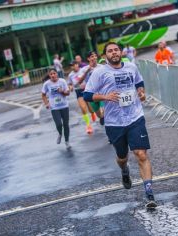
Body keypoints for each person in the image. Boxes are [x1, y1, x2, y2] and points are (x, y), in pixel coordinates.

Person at [83, 42, 157, 209]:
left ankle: (150, 193)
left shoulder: (131, 67)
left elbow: (139, 82)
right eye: (110, 51)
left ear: (121, 52)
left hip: (135, 117)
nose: (114, 53)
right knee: (122, 157)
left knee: (141, 154)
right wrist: (106, 97)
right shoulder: (99, 72)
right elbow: (87, 95)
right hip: (114, 122)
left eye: (116, 50)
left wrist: (141, 92)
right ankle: (124, 170)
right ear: (105, 56)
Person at [41, 68, 71, 149]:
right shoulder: (47, 84)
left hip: (64, 106)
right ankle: (60, 134)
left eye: (54, 73)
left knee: (66, 124)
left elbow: (68, 93)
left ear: (57, 74)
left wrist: (62, 91)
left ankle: (67, 141)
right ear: (49, 75)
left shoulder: (62, 81)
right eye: (51, 74)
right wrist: (46, 103)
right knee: (59, 124)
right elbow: (43, 95)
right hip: (54, 107)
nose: (53, 75)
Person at [67, 61, 96, 134]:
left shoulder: (83, 70)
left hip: (86, 89)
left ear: (77, 65)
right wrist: (70, 87)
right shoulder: (70, 75)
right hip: (78, 92)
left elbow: (90, 68)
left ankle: (92, 113)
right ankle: (88, 125)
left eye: (74, 65)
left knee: (91, 108)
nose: (73, 67)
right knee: (83, 108)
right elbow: (70, 84)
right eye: (71, 66)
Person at [78, 51, 105, 126]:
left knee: (106, 110)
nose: (94, 58)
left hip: (102, 92)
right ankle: (102, 117)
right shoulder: (84, 69)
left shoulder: (102, 67)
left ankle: (107, 120)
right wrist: (87, 71)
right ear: (88, 59)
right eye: (92, 56)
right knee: (99, 115)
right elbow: (79, 81)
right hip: (91, 93)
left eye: (95, 56)